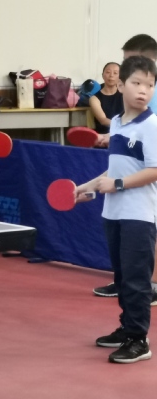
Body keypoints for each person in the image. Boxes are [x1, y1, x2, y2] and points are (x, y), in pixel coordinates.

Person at [78, 55, 157, 363]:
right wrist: (85, 187)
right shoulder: (117, 124)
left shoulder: (151, 125)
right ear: (121, 85)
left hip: (139, 216)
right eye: (137, 83)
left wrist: (118, 184)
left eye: (150, 85)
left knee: (137, 280)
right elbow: (114, 170)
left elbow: (154, 170)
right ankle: (127, 328)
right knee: (123, 277)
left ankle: (139, 339)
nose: (143, 90)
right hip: (113, 213)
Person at [94, 35, 157, 302]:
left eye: (130, 59)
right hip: (132, 178)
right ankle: (130, 281)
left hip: (147, 179)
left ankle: (145, 284)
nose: (124, 66)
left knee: (146, 231)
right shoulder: (121, 118)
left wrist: (118, 183)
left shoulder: (149, 102)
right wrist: (114, 137)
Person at [89, 62, 123, 134]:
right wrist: (123, 126)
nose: (111, 75)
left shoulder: (126, 95)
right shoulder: (94, 99)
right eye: (108, 72)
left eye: (115, 73)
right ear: (103, 75)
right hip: (104, 135)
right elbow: (103, 120)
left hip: (124, 133)